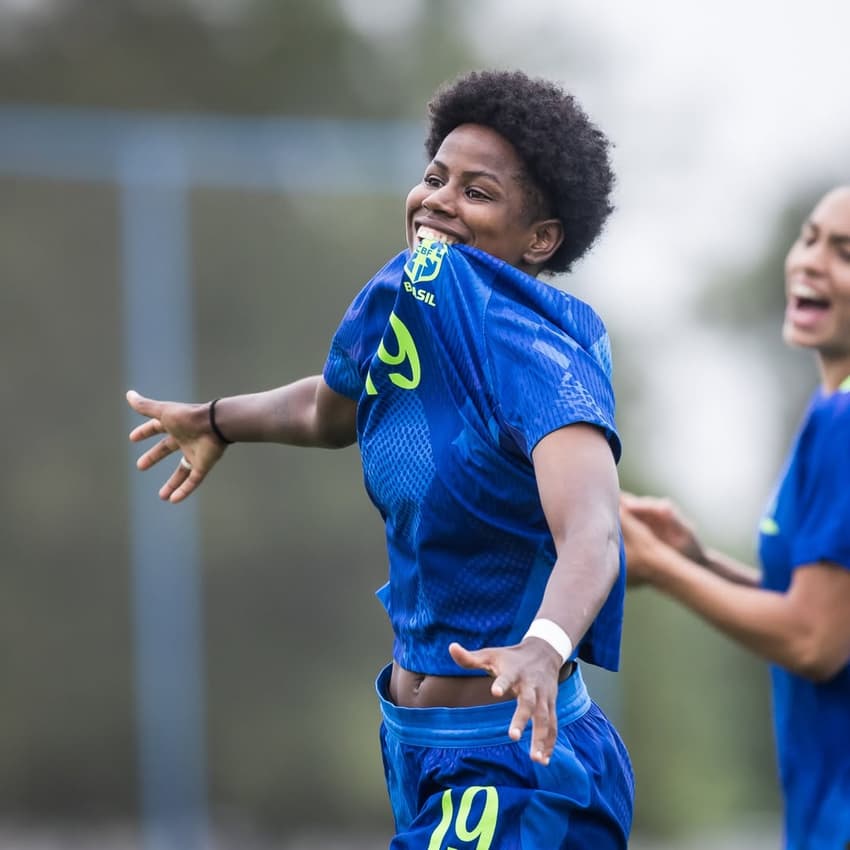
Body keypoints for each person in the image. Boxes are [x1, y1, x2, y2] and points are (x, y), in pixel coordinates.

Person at [127, 69, 633, 849]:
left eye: (477, 192)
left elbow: (594, 531)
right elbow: (328, 408)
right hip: (416, 745)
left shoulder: (538, 353)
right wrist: (219, 420)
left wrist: (544, 647)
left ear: (540, 238)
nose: (437, 200)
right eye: (434, 178)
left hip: (521, 763)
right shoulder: (405, 293)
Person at [620, 186, 850, 850]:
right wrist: (700, 562)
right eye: (809, 238)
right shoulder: (827, 410)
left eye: (844, 252)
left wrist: (661, 569)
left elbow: (814, 641)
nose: (810, 261)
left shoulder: (843, 423)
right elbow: (823, 611)